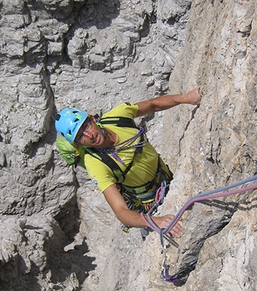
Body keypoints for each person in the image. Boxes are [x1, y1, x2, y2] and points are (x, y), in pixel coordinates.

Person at [55, 88, 200, 238]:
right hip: (152, 203)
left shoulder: (118, 117)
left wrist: (184, 98)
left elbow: (152, 105)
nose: (89, 135)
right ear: (79, 144)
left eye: (86, 126)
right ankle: (146, 231)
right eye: (81, 137)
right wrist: (154, 221)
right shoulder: (95, 164)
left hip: (167, 176)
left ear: (92, 119)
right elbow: (121, 211)